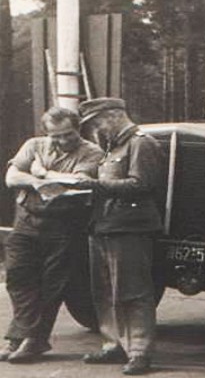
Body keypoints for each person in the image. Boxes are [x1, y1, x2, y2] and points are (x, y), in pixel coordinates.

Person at [1, 107, 103, 363]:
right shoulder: (34, 145)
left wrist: (42, 173)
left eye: (68, 134)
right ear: (46, 133)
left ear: (78, 129)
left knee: (51, 285)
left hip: (64, 225)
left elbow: (78, 183)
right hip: (26, 220)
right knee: (17, 277)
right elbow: (12, 178)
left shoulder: (92, 152)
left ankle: (29, 340)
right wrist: (36, 182)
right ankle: (24, 336)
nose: (62, 141)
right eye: (55, 136)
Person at [74, 97, 164, 376]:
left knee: (133, 291)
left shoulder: (141, 143)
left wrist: (97, 184)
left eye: (98, 122)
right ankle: (114, 343)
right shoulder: (113, 145)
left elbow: (142, 183)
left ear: (114, 116)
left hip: (130, 227)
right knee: (105, 291)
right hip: (104, 225)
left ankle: (139, 352)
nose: (96, 130)